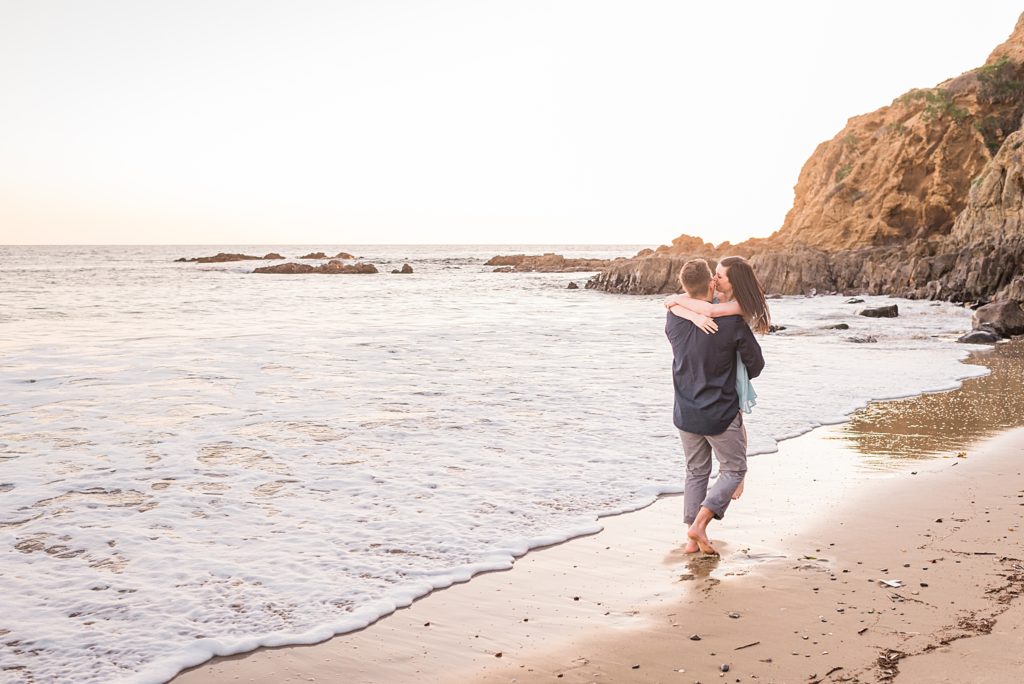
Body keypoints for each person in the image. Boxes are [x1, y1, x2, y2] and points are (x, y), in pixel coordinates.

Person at [665, 258, 765, 555]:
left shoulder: (675, 317)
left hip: (685, 411)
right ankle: (699, 524)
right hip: (719, 412)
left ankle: (691, 539)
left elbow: (674, 304)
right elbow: (756, 365)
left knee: (696, 471)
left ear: (683, 287)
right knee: (735, 469)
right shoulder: (731, 322)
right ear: (711, 283)